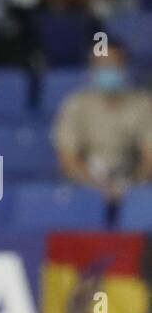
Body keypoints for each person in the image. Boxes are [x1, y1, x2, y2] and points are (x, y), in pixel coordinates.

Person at [52, 41, 152, 204]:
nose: (107, 70)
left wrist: (132, 185)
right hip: (85, 184)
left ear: (124, 66)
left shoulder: (144, 103)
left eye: (112, 64)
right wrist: (96, 187)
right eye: (100, 65)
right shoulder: (76, 103)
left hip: (132, 182)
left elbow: (150, 157)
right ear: (92, 69)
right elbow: (67, 157)